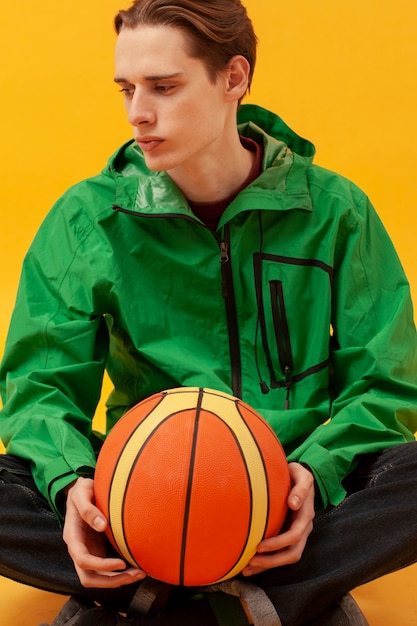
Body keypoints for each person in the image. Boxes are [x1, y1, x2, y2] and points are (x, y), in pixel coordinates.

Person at [0, 0, 416, 624]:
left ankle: (225, 585)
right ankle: (169, 579)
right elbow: (38, 386)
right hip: (137, 501)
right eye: (127, 89)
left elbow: (385, 378)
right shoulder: (89, 216)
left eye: (164, 87)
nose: (138, 113)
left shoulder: (335, 210)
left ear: (234, 79)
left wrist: (316, 473)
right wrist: (74, 486)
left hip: (288, 495)